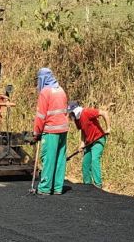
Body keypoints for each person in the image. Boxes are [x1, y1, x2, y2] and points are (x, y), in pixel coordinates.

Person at [32, 67, 69, 195]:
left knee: (48, 158)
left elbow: (40, 116)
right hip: (63, 129)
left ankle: (45, 188)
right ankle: (58, 187)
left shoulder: (45, 92)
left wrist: (36, 133)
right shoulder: (61, 90)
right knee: (60, 158)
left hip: (51, 130)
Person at [68, 101, 110, 190]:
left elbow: (104, 113)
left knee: (95, 160)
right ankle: (87, 185)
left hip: (98, 139)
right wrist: (82, 143)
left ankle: (98, 185)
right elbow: (83, 130)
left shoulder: (87, 112)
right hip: (88, 142)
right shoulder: (77, 120)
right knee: (85, 164)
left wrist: (108, 128)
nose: (70, 115)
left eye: (71, 112)